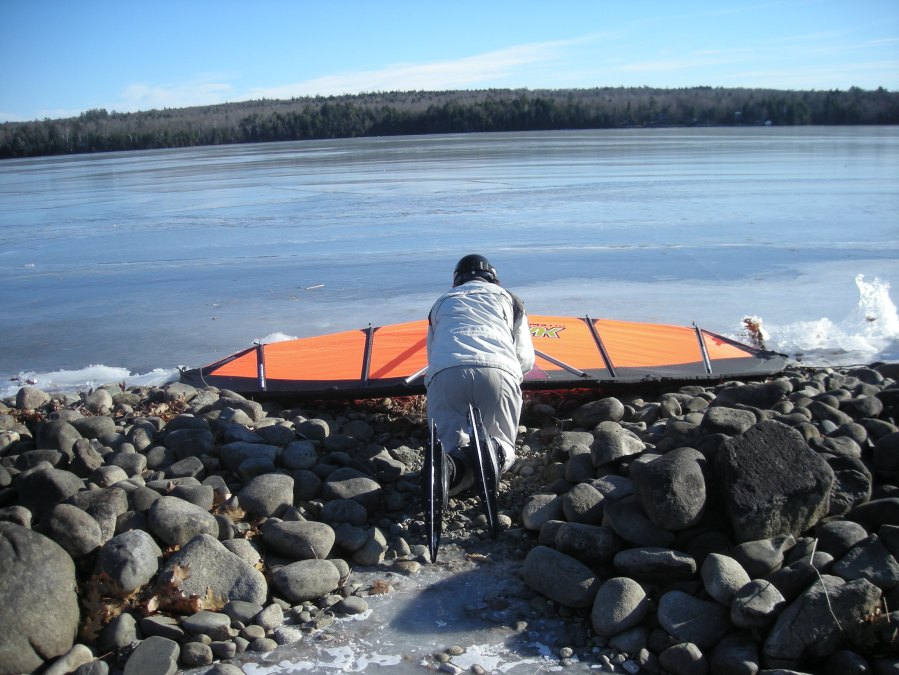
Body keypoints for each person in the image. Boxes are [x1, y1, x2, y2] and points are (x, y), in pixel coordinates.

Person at [425, 254, 535, 497]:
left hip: (446, 374)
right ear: (494, 280)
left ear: (457, 281)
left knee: (449, 447)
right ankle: (494, 451)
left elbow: (432, 355)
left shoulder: (441, 302)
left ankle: (454, 468)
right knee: (503, 442)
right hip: (498, 371)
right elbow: (525, 359)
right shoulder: (510, 299)